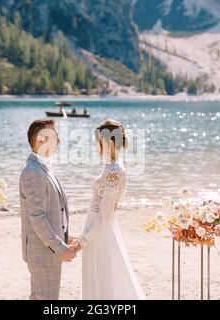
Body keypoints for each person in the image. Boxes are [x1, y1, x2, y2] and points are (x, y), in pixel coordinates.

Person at [71, 119, 146, 300]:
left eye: (97, 141)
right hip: (98, 230)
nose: (95, 145)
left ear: (107, 142)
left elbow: (105, 212)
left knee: (103, 278)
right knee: (105, 277)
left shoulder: (114, 171)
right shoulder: (112, 167)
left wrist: (83, 240)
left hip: (99, 233)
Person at [19, 119, 77, 300]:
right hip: (44, 253)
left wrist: (65, 236)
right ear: (40, 140)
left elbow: (53, 210)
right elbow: (37, 217)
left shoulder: (43, 167)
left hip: (47, 250)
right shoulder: (33, 172)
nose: (59, 142)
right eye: (55, 137)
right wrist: (60, 248)